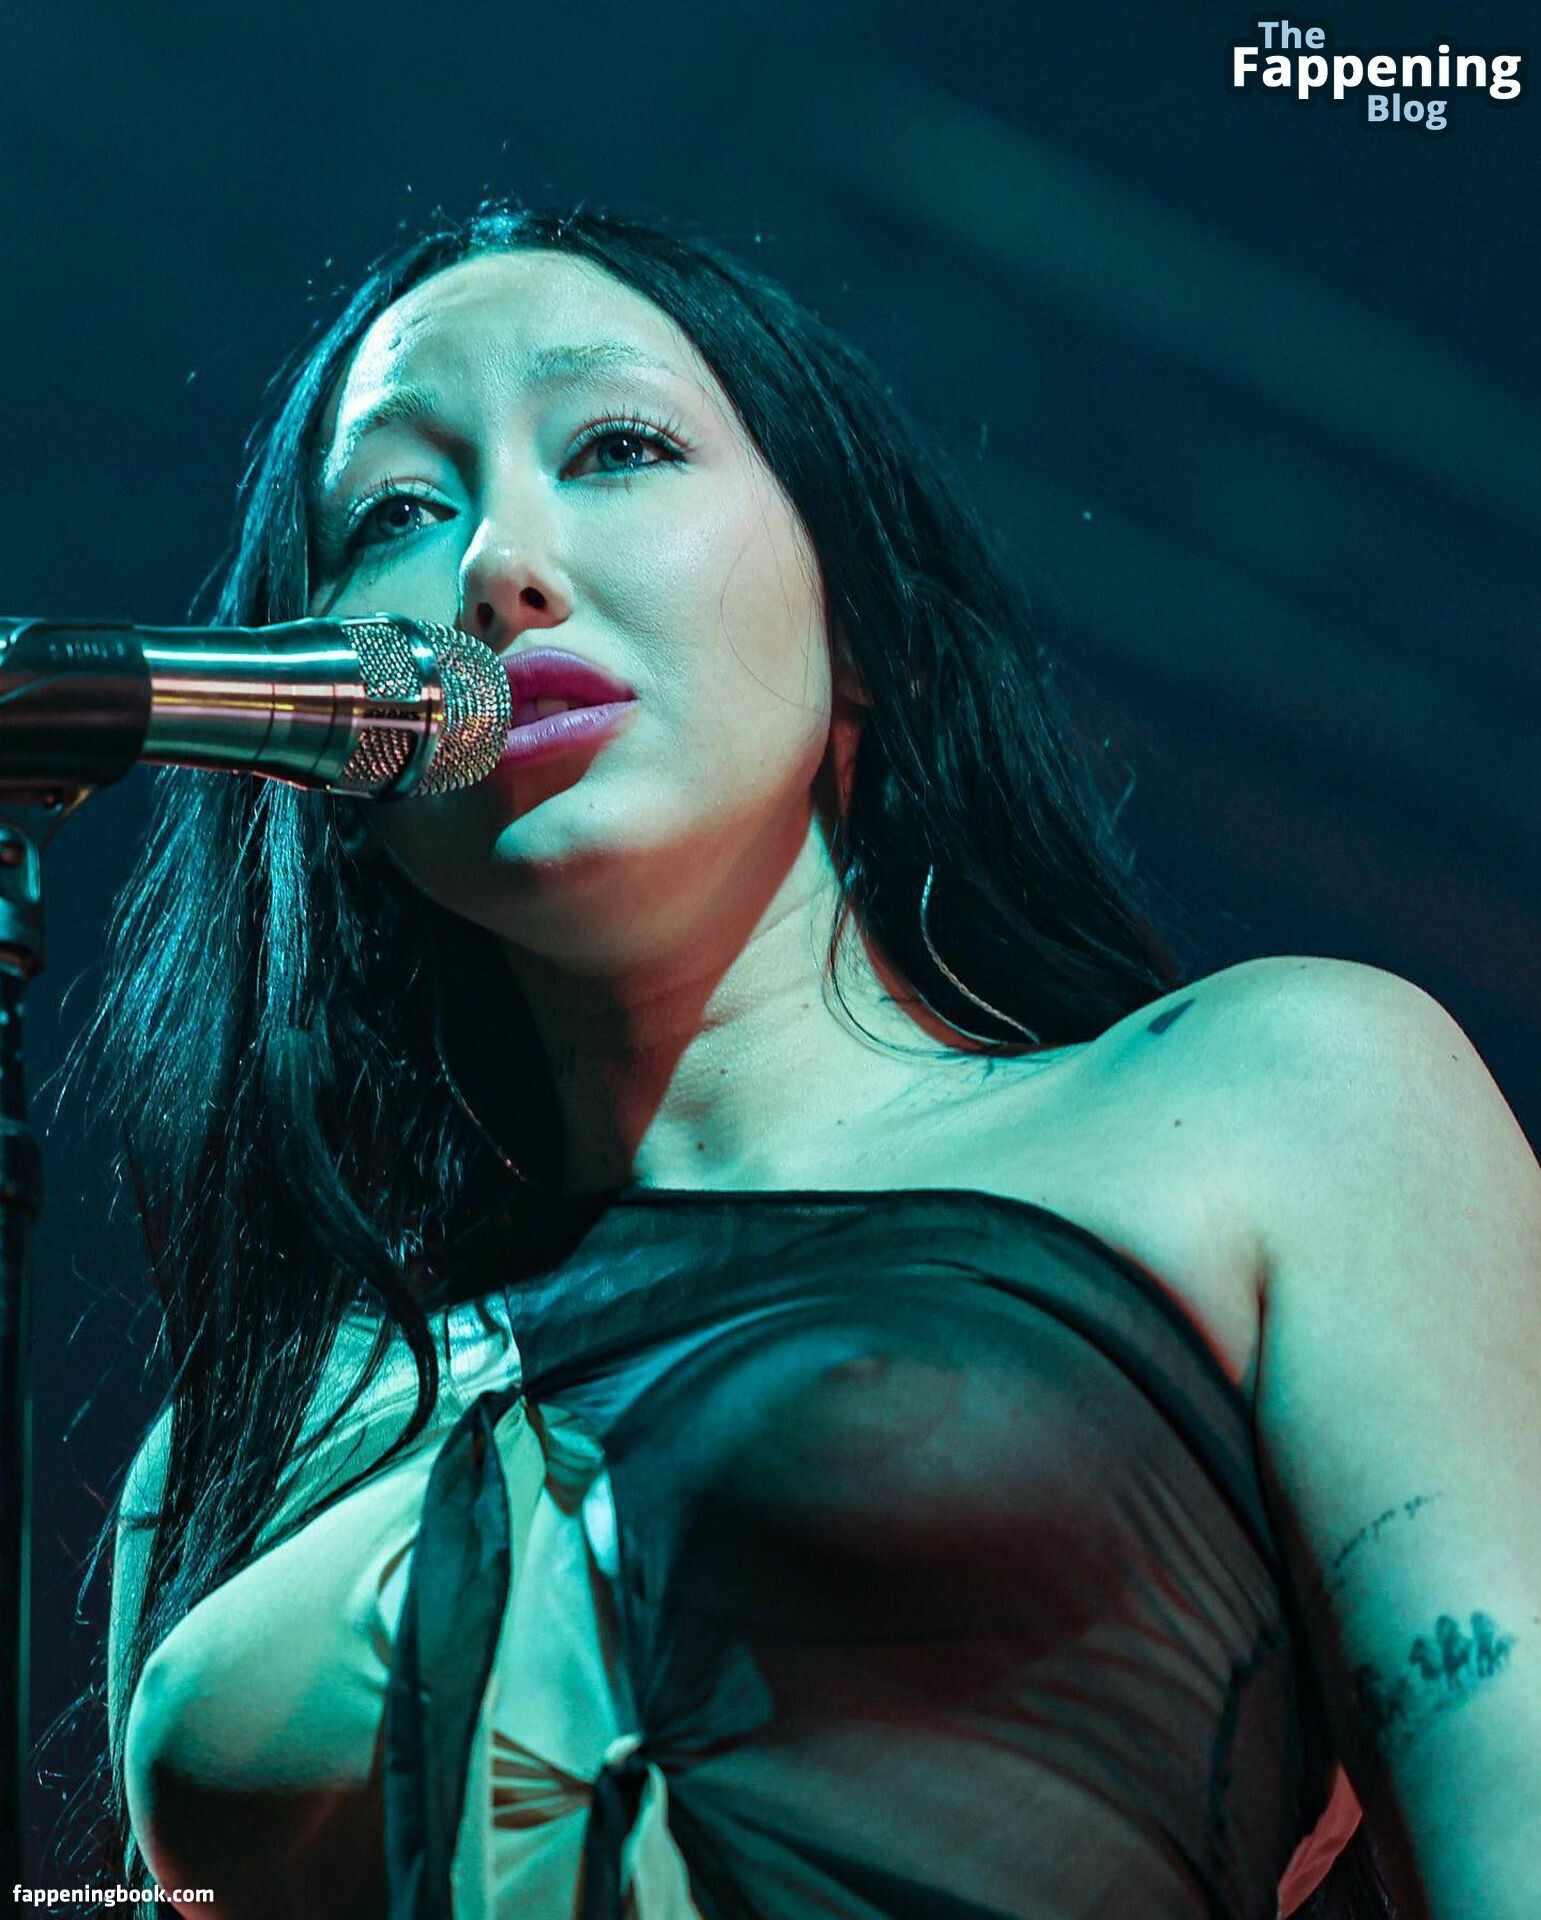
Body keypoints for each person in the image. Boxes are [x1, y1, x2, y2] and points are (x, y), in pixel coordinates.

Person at [59, 199, 1528, 1919]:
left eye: (616, 448)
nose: (492, 568)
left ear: (864, 635)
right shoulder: (243, 1443)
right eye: (395, 509)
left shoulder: (1273, 1098)